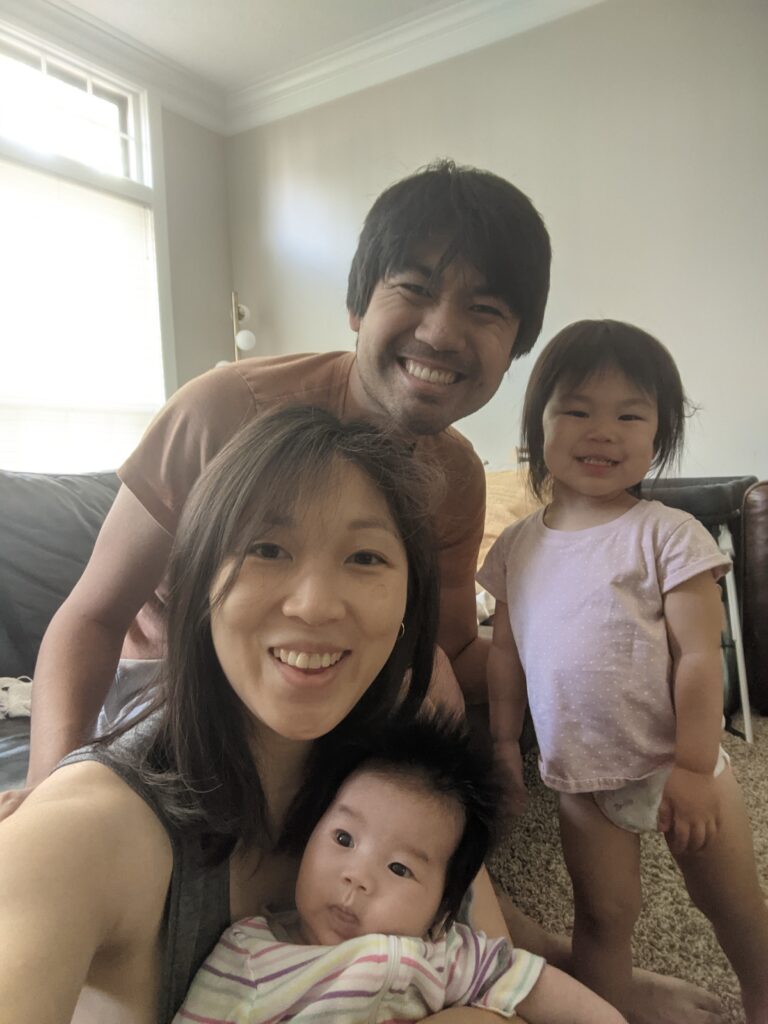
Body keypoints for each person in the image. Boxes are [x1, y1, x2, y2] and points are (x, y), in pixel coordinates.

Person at [1, 160, 724, 1024]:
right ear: (358, 305)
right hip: (176, 686)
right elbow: (91, 613)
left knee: (422, 789)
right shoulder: (226, 410)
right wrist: (50, 787)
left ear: (516, 346)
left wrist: (604, 662)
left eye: (486, 310)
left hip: (344, 686)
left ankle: (536, 965)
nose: (444, 330)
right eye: (413, 287)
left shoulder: (452, 473)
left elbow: (444, 652)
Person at [1, 406, 504, 1023]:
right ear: (200, 586)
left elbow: (496, 989)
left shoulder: (411, 788)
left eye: (366, 557)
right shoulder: (84, 832)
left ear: (409, 599)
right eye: (267, 548)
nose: (315, 605)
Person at [478, 320, 768, 1021]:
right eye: (576, 410)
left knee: (731, 905)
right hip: (582, 777)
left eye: (629, 415)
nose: (602, 431)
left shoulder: (668, 534)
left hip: (677, 763)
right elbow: (506, 653)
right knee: (603, 918)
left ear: (658, 435)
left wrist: (697, 768)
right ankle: (604, 1011)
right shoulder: (517, 546)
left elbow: (700, 656)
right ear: (537, 427)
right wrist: (500, 748)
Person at [174, 711, 626, 1024]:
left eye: (399, 868)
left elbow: (536, 986)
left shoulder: (449, 954)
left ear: (443, 908)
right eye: (343, 839)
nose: (358, 876)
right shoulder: (250, 957)